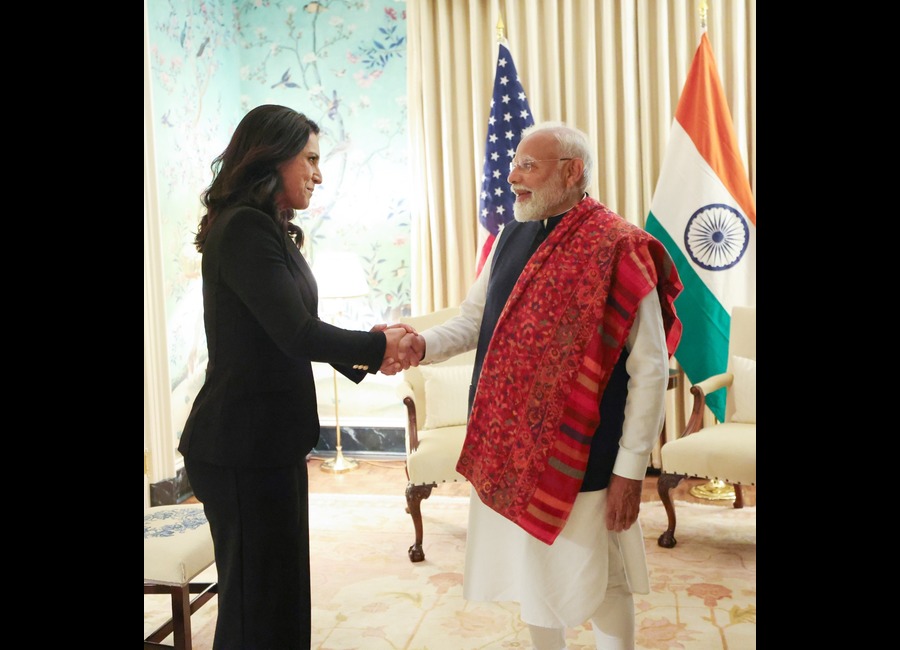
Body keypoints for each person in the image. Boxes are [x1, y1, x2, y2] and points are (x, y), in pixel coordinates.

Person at [398, 121, 683, 649]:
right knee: (531, 573)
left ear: (572, 171)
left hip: (587, 456)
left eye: (528, 165)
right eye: (515, 165)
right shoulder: (509, 237)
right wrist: (421, 345)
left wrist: (629, 470)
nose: (512, 178)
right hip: (511, 451)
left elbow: (649, 369)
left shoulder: (621, 247)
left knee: (602, 580)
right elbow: (472, 321)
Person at [178, 104, 412, 649]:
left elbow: (297, 328)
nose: (319, 173)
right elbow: (298, 335)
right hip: (239, 445)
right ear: (273, 157)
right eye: (310, 158)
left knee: (279, 595)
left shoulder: (271, 229)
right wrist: (378, 348)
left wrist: (370, 346)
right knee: (253, 606)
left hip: (267, 441)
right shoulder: (244, 230)